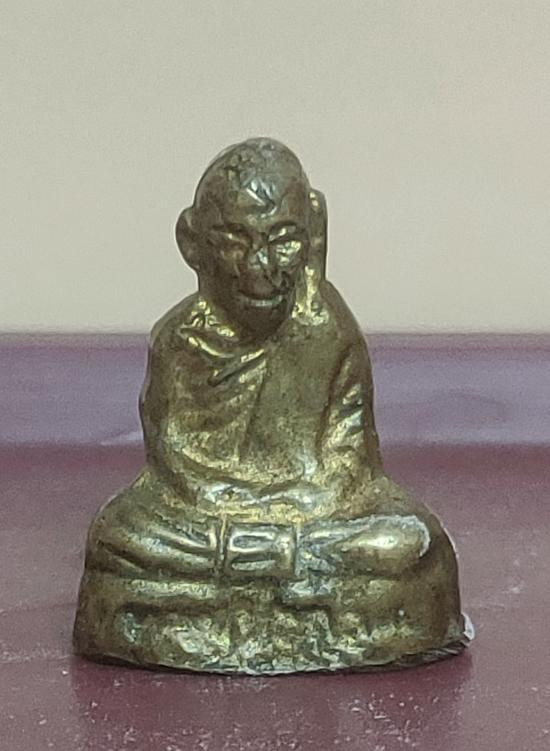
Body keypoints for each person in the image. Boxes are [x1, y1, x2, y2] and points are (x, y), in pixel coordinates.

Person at [74, 138, 467, 673]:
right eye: (234, 241)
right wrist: (243, 526)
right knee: (116, 536)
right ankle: (300, 592)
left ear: (313, 235)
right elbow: (174, 467)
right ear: (192, 243)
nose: (260, 267)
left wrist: (286, 524)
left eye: (283, 240)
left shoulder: (328, 333)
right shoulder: (180, 341)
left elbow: (349, 471)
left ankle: (220, 592)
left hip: (305, 526)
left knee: (410, 541)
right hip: (216, 528)